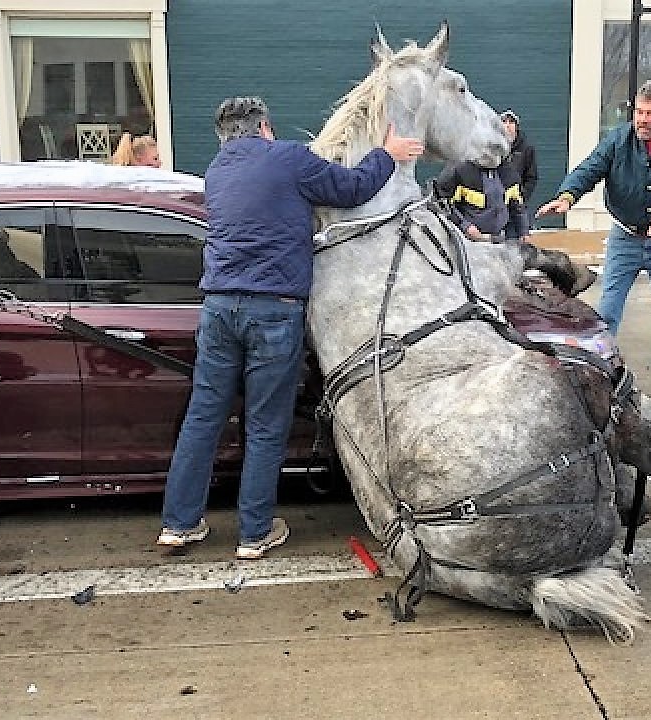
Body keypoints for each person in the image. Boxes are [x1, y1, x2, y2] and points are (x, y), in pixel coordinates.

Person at [157, 96, 424, 557]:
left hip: (218, 308)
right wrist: (388, 154)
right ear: (265, 127)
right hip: (273, 311)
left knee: (203, 417)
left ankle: (178, 525)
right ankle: (254, 532)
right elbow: (353, 188)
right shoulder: (289, 158)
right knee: (265, 424)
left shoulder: (216, 171)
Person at [536, 81, 651, 394]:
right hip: (625, 237)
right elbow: (590, 169)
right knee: (608, 310)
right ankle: (596, 373)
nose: (643, 119)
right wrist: (567, 195)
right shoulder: (617, 140)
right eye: (639, 112)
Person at [433, 158, 528, 241]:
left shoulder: (510, 172)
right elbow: (443, 203)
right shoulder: (459, 169)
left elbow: (518, 208)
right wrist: (465, 226)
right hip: (465, 240)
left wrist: (523, 233)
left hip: (500, 239)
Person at [499, 109, 538, 239]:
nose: (507, 125)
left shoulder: (527, 149)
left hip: (516, 207)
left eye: (511, 122)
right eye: (504, 121)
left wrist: (522, 196)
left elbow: (531, 177)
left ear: (516, 126)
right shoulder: (494, 149)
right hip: (495, 208)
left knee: (516, 242)